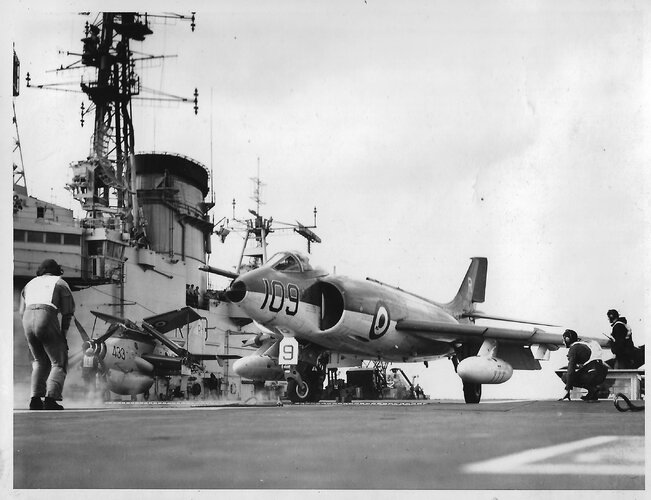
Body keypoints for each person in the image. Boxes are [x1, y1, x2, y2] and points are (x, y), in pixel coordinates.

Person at [19, 259, 75, 410]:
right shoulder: (60, 283)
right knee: (58, 361)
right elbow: (68, 312)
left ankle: (35, 400)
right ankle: (51, 398)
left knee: (39, 362)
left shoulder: (28, 284)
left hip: (27, 319)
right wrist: (62, 335)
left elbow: (21, 311)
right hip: (46, 316)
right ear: (57, 270)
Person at [559, 329, 609, 402]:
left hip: (592, 374)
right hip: (601, 372)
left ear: (567, 339)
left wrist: (567, 389)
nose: (563, 342)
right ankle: (592, 392)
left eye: (564, 340)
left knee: (564, 376)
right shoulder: (585, 344)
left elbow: (571, 370)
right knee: (583, 373)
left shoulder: (573, 349)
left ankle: (592, 389)